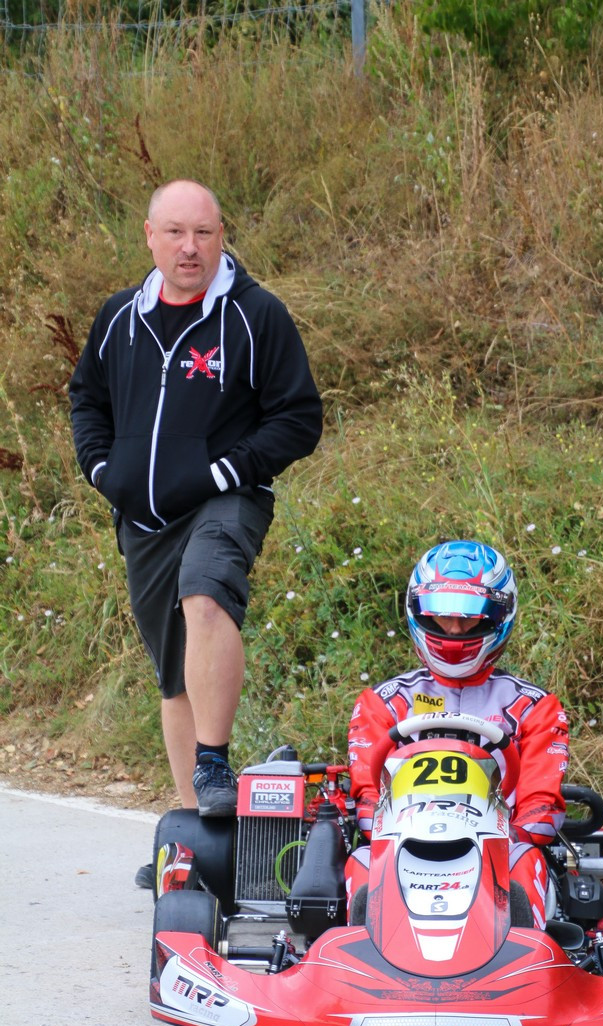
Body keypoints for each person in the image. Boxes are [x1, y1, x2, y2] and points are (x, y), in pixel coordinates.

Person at [70, 179, 322, 886]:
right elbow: (86, 397)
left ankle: (213, 761)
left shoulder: (255, 315)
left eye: (204, 233)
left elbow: (299, 417)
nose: (190, 248)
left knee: (205, 597)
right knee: (173, 674)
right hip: (143, 518)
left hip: (225, 500)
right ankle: (196, 845)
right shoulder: (119, 317)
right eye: (176, 233)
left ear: (221, 236)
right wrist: (101, 469)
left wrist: (225, 471)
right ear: (149, 236)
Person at [345, 540, 569, 927]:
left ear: (499, 617)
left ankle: (519, 947)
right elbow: (368, 799)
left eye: (469, 618)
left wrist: (509, 836)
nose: (453, 630)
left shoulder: (534, 707)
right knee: (363, 862)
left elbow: (539, 807)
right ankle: (364, 948)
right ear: (418, 611)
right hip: (401, 842)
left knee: (524, 862)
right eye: (441, 615)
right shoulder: (383, 704)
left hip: (499, 847)